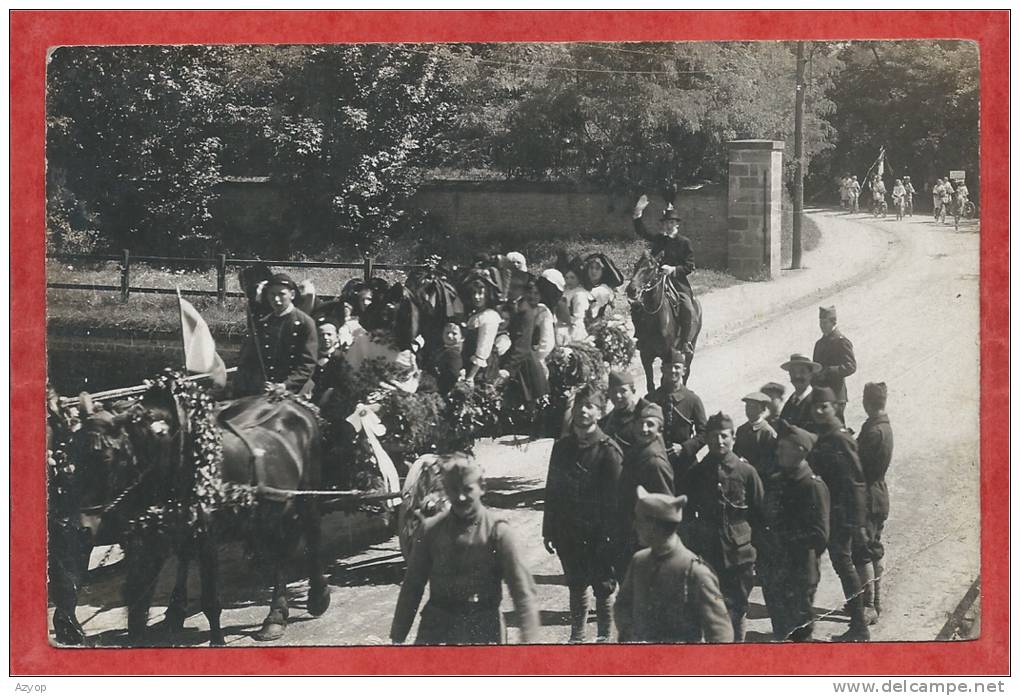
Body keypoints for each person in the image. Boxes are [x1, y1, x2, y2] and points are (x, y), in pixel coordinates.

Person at [390, 454, 540, 645]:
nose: (460, 496)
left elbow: (523, 593)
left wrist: (530, 644)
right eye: (453, 489)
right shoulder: (430, 530)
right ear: (446, 490)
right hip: (437, 631)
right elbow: (412, 586)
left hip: (483, 632)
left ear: (482, 488)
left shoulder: (498, 533)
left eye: (468, 489)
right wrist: (397, 637)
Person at [543, 385, 624, 642]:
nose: (583, 411)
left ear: (600, 412)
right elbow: (552, 492)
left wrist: (613, 537)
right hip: (569, 533)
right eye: (579, 406)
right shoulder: (562, 448)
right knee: (576, 584)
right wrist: (549, 529)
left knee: (603, 587)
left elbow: (616, 503)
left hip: (600, 536)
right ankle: (577, 637)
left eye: (589, 406)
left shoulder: (608, 451)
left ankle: (603, 638)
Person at [681, 412, 765, 641]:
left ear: (733, 438)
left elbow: (760, 514)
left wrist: (758, 551)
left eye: (724, 436)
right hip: (707, 550)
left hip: (740, 552)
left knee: (738, 607)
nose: (719, 441)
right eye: (714, 436)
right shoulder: (696, 473)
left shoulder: (746, 472)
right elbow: (686, 515)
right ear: (706, 439)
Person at [614, 486, 733, 643]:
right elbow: (622, 606)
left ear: (654, 527)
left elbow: (720, 632)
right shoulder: (639, 561)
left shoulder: (696, 572)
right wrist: (630, 634)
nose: (635, 526)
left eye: (640, 520)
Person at [808, 387, 872, 642]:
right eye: (815, 406)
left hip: (841, 515)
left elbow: (857, 482)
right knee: (839, 565)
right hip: (826, 512)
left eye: (824, 406)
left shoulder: (839, 437)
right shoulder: (824, 433)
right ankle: (858, 625)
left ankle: (859, 627)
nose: (818, 410)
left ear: (834, 407)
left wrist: (857, 522)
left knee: (843, 565)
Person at [773, 420, 830, 642]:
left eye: (783, 448)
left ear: (800, 450)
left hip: (801, 568)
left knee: (800, 632)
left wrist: (787, 539)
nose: (778, 451)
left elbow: (820, 535)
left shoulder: (813, 486)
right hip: (783, 565)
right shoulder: (783, 480)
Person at [615, 402, 675, 581]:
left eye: (650, 424)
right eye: (640, 423)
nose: (644, 428)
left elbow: (666, 508)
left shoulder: (654, 461)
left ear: (660, 429)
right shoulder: (639, 452)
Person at [632, 193, 697, 354]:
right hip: (656, 280)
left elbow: (690, 266)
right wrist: (638, 213)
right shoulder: (659, 239)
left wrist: (673, 270)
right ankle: (640, 336)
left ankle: (685, 342)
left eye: (672, 223)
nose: (668, 225)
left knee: (688, 307)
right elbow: (642, 232)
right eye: (666, 222)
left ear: (677, 225)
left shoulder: (684, 242)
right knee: (638, 305)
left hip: (677, 283)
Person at [235, 273, 318, 397]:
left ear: (292, 295)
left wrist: (285, 385)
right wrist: (259, 383)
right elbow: (251, 360)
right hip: (266, 389)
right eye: (272, 295)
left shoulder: (305, 323)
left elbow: (307, 364)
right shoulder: (263, 323)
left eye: (281, 294)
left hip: (295, 390)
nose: (276, 300)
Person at [857, 382, 894, 619]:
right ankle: (876, 602)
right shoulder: (882, 426)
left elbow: (860, 466)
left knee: (862, 551)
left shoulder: (873, 431)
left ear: (867, 401)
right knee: (874, 548)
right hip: (879, 493)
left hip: (868, 497)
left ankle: (868, 606)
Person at [647, 349, 707, 487]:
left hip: (684, 466)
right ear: (662, 369)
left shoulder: (693, 400)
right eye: (668, 367)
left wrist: (684, 448)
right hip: (657, 465)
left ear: (684, 371)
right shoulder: (651, 399)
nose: (672, 371)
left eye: (677, 367)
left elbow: (704, 433)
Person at [500, 270, 550, 426]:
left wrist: (508, 368)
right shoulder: (511, 305)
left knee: (528, 398)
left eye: (514, 288)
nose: (510, 291)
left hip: (523, 361)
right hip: (513, 355)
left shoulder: (525, 311)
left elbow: (522, 345)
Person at [812, 305, 857, 424]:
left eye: (825, 322)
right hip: (821, 396)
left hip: (836, 396)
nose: (822, 325)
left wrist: (829, 371)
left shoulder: (841, 341)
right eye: (820, 322)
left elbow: (851, 366)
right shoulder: (819, 343)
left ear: (833, 322)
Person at [460, 269, 503, 385]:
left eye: (480, 293)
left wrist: (470, 377)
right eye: (473, 292)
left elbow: (483, 349)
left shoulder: (489, 317)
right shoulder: (475, 314)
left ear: (488, 294)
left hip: (481, 370)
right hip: (470, 364)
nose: (476, 297)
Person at [600, 369, 651, 453]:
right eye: (614, 391)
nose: (618, 395)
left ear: (633, 391)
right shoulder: (604, 423)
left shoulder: (644, 418)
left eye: (623, 391)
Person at [734, 391, 778, 476]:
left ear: (763, 409)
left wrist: (750, 467)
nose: (749, 410)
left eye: (754, 407)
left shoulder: (768, 432)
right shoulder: (741, 429)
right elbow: (736, 452)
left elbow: (769, 460)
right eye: (747, 406)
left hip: (759, 476)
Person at [779, 353, 821, 432]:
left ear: (811, 374)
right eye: (793, 372)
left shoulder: (818, 402)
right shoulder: (789, 403)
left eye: (802, 371)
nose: (797, 376)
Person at [582, 252, 625, 325]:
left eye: (597, 268)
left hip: (595, 323)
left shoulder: (604, 288)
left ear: (602, 271)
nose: (593, 271)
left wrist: (603, 257)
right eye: (591, 268)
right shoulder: (582, 285)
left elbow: (619, 280)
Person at [555, 261, 590, 345]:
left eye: (572, 277)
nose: (568, 280)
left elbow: (579, 316)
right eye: (566, 278)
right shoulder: (565, 291)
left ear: (578, 278)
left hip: (574, 328)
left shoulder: (580, 294)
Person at [530, 274, 557, 374]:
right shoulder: (523, 307)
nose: (532, 296)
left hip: (536, 357)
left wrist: (537, 358)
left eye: (536, 293)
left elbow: (547, 342)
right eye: (530, 293)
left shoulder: (543, 311)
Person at [429, 322, 465, 395]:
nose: (449, 335)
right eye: (447, 332)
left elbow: (452, 377)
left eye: (454, 334)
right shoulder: (442, 350)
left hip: (440, 391)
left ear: (462, 338)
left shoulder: (454, 355)